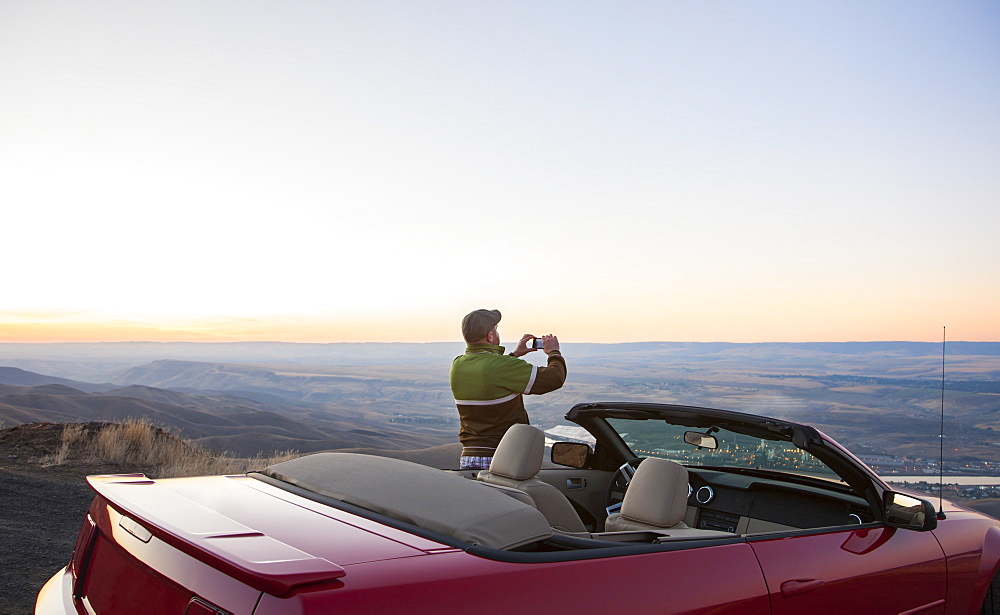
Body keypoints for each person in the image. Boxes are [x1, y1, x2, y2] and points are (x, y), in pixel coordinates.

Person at [450, 308, 567, 470]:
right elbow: (554, 378)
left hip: (469, 457)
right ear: (490, 336)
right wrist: (554, 352)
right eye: (496, 330)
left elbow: (490, 374)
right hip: (501, 456)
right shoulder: (503, 367)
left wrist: (515, 354)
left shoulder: (458, 364)